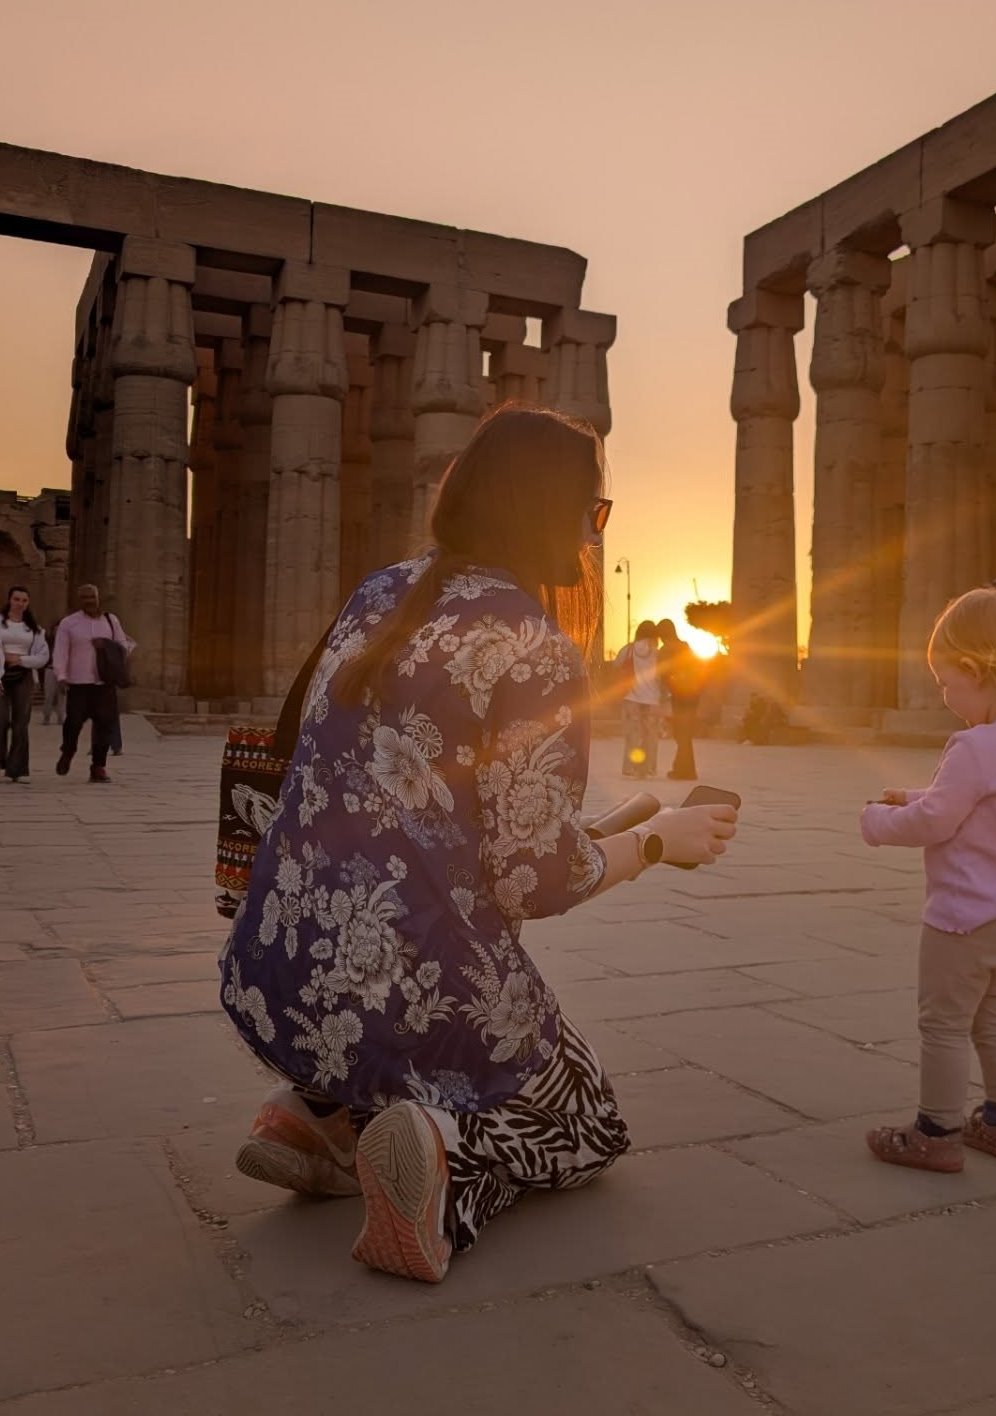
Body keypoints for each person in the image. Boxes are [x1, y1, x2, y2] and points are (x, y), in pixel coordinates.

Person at [219, 406, 739, 1284]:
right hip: (403, 992)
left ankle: (319, 1116)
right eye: (593, 509)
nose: (593, 528)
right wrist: (657, 842)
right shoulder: (534, 647)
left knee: (410, 979)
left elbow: (440, 819)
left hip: (276, 970)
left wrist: (604, 829)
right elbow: (536, 878)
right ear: (550, 513)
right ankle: (443, 1178)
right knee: (586, 1127)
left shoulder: (380, 591)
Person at [860, 588, 996, 1173]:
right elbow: (984, 802)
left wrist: (879, 820)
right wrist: (919, 792)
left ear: (976, 671)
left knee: (943, 1024)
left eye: (948, 683)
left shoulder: (972, 745)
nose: (946, 697)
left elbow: (936, 820)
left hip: (963, 917)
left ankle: (936, 1132)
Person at [53, 584, 132, 785]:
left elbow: (124, 647)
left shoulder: (111, 621)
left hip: (104, 683)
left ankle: (98, 767)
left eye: (92, 597)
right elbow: (60, 651)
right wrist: (61, 675)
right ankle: (68, 751)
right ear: (79, 600)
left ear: (98, 597)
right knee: (73, 723)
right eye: (85, 597)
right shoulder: (69, 623)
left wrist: (106, 645)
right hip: (78, 683)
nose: (90, 601)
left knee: (105, 725)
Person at [0, 586, 49, 784]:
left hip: (23, 674)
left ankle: (17, 768)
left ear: (28, 603)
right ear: (9, 600)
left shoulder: (35, 629)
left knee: (21, 723)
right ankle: (2, 760)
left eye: (24, 600)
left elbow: (43, 656)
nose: (19, 603)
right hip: (2, 673)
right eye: (16, 599)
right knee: (1, 720)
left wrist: (21, 660)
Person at [656, 617, 706, 781]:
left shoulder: (665, 650)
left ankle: (686, 771)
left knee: (681, 734)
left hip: (678, 695)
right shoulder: (685, 646)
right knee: (685, 733)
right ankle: (682, 768)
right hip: (693, 694)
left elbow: (662, 674)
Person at [614, 620, 663, 778]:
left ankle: (631, 767)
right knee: (650, 736)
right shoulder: (657, 652)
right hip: (653, 699)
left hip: (631, 698)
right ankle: (648, 768)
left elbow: (616, 665)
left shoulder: (629, 649)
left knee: (633, 735)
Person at [40, 624, 64, 726]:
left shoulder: (65, 642)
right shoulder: (48, 643)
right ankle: (46, 716)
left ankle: (61, 717)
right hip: (50, 669)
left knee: (61, 695)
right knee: (49, 694)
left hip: (62, 670)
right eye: (56, 629)